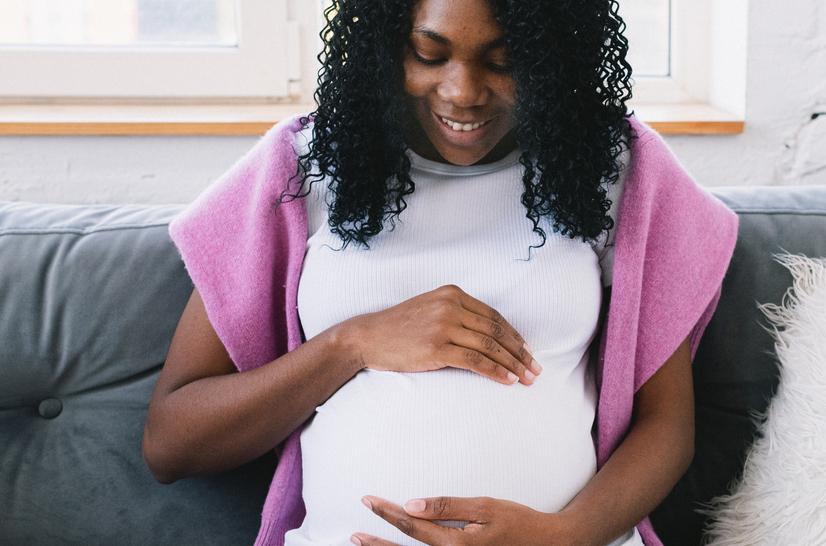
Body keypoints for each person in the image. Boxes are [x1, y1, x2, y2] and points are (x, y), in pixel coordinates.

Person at [142, 1, 740, 545]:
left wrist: (566, 535)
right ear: (386, 44)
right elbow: (171, 442)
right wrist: (354, 343)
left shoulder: (612, 170)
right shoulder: (304, 168)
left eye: (504, 62)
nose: (462, 92)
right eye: (429, 54)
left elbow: (667, 426)